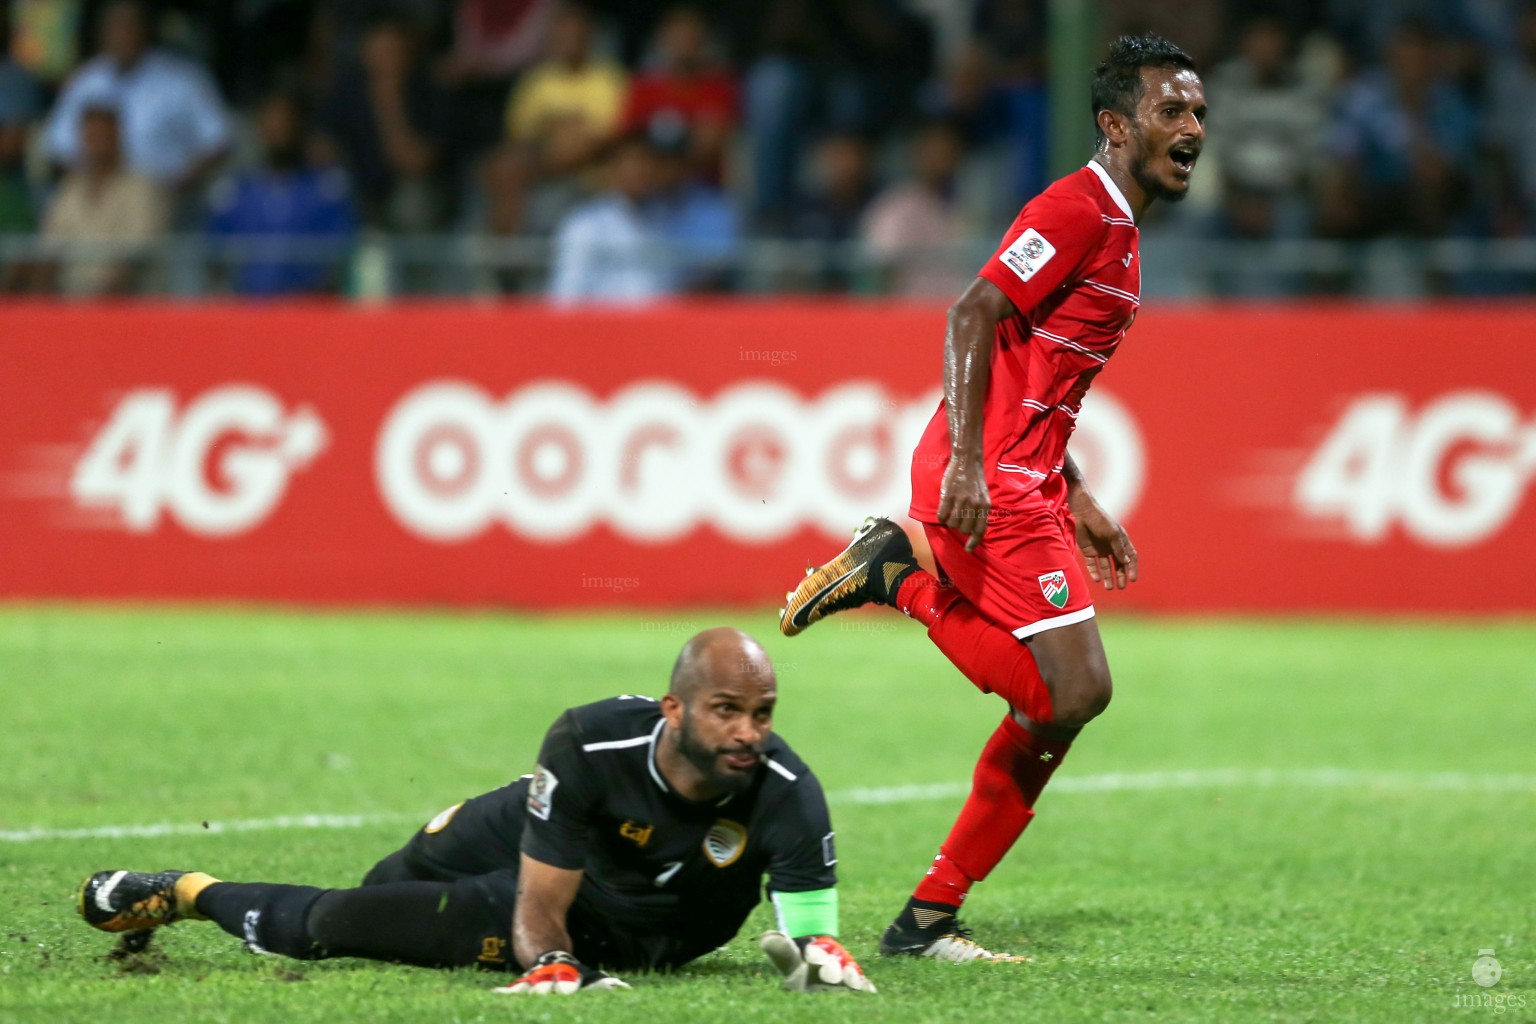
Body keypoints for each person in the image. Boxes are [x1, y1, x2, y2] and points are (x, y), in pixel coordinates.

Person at [777, 34, 1205, 961]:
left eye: (1199, 112)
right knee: (1075, 689)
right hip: (991, 479)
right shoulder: (1078, 207)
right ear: (1115, 124)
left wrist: (1079, 490)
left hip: (1028, 474)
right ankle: (902, 577)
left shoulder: (1122, 230)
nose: (1192, 129)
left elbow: (1041, 374)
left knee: (1056, 709)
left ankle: (929, 916)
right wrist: (970, 462)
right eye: (1173, 111)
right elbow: (972, 311)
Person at [75, 628, 875, 995]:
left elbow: (814, 943)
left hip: (636, 923)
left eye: (762, 712)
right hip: (568, 850)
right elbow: (539, 913)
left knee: (342, 924)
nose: (748, 732)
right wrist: (548, 961)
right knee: (396, 872)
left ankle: (186, 890)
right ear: (674, 709)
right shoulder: (591, 743)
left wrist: (819, 963)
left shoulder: (786, 788)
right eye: (727, 710)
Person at [42, 1, 230, 197]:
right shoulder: (86, 81)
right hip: (98, 201)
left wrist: (180, 185)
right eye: (114, 27)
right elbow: (58, 149)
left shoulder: (183, 78)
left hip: (170, 198)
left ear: (146, 30)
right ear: (101, 34)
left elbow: (218, 140)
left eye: (129, 26)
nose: (121, 35)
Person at [207, 90, 356, 297]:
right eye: (270, 123)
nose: (278, 131)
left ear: (300, 127)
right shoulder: (234, 194)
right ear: (259, 128)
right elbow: (212, 257)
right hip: (245, 311)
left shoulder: (326, 191)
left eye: (286, 123)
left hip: (308, 311)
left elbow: (341, 255)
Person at [31, 103, 169, 296]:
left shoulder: (143, 187)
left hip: (130, 305)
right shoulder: (70, 188)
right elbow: (51, 250)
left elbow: (137, 256)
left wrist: (99, 305)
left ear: (118, 137)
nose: (97, 143)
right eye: (91, 136)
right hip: (70, 304)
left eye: (104, 136)